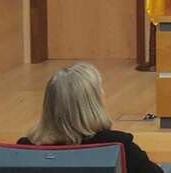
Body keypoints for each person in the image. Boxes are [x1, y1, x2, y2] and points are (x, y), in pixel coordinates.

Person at [18, 63, 163, 173]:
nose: (103, 93)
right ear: (93, 103)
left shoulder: (24, 150)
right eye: (100, 90)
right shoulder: (119, 146)